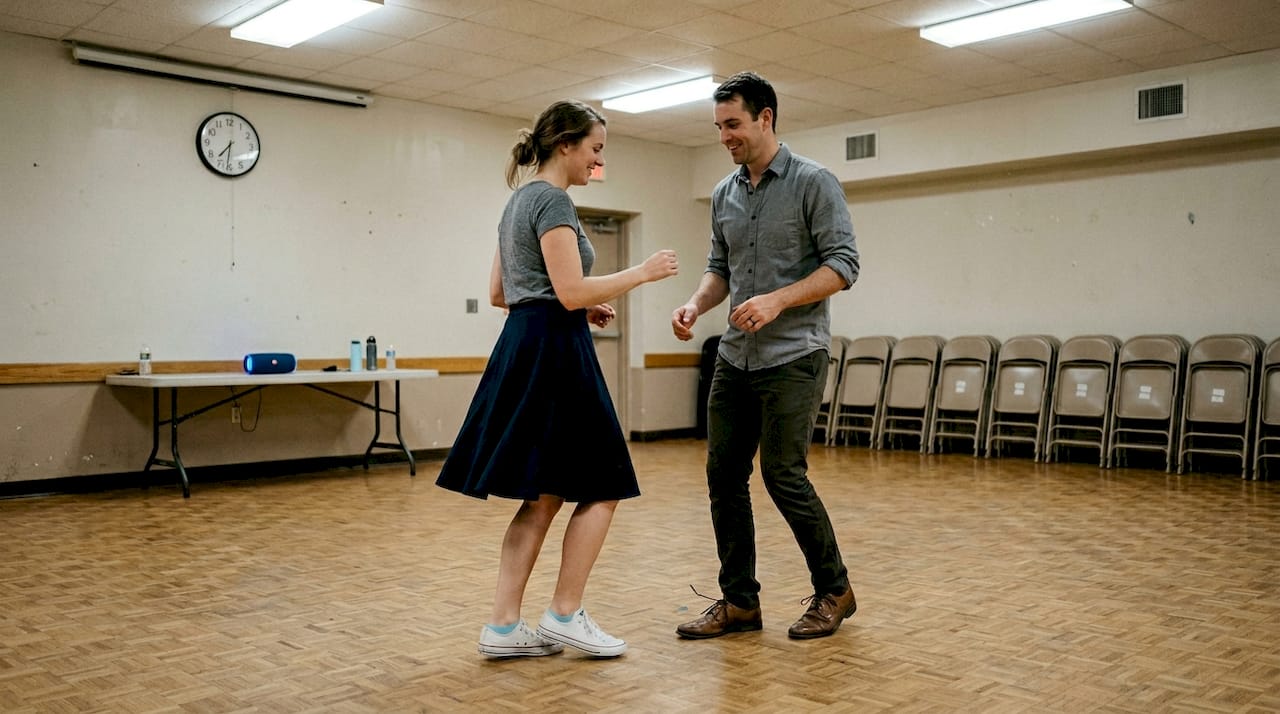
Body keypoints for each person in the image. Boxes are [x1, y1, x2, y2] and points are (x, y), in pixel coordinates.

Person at [435, 100, 678, 659]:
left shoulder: (516, 202)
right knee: (607, 484)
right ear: (565, 144)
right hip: (556, 352)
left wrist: (579, 306)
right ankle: (565, 614)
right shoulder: (553, 201)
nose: (597, 161)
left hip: (524, 342)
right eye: (595, 149)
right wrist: (640, 273)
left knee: (543, 496)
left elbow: (502, 293)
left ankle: (502, 626)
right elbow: (568, 291)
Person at [671, 72, 860, 641]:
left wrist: (778, 300)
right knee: (723, 477)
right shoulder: (724, 194)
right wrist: (695, 304)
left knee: (783, 475)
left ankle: (835, 589)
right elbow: (720, 270)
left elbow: (843, 265)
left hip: (795, 354)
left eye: (733, 124)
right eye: (718, 126)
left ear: (765, 118)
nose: (724, 136)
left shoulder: (813, 183)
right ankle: (739, 603)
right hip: (736, 357)